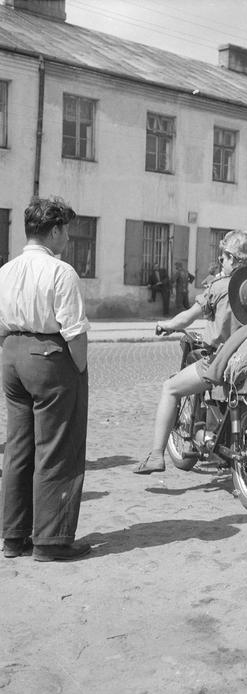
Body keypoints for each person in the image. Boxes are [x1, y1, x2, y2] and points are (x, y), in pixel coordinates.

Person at [133, 230, 247, 474]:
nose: (221, 262)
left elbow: (186, 318)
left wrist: (166, 325)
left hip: (221, 360)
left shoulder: (219, 287)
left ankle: (157, 455)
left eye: (223, 258)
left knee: (170, 388)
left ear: (231, 259)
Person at [0, 196, 91, 561]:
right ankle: (51, 540)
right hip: (50, 358)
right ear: (54, 230)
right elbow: (75, 331)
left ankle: (13, 535)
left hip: (11, 357)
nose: (67, 238)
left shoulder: (5, 271)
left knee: (18, 446)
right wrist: (79, 370)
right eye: (65, 230)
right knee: (57, 448)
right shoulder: (61, 272)